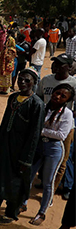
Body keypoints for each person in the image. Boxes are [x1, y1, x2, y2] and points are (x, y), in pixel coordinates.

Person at [0, 68, 46, 225]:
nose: (22, 82)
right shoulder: (13, 98)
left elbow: (35, 134)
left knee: (15, 181)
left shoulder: (37, 104)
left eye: (27, 80)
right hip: (5, 145)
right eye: (20, 79)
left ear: (34, 83)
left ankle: (11, 211)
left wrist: (27, 158)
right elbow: (4, 122)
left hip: (21, 150)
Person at [23, 84, 74, 226]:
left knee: (48, 182)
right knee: (29, 176)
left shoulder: (67, 114)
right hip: (38, 146)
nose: (57, 97)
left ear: (67, 100)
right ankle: (23, 202)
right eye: (57, 93)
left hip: (53, 149)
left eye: (63, 96)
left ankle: (42, 212)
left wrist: (41, 130)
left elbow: (62, 135)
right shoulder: (43, 107)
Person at [36, 54, 76, 195]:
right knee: (44, 154)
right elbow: (39, 98)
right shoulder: (46, 80)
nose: (56, 66)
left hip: (65, 127)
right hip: (45, 124)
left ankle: (59, 187)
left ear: (69, 67)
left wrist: (67, 115)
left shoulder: (74, 83)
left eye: (61, 64)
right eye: (56, 63)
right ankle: (45, 180)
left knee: (63, 159)